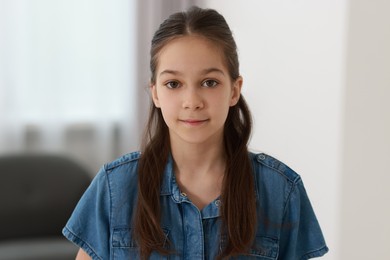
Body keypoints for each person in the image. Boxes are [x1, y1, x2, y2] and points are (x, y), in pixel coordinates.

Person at [63, 6, 329, 260]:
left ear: (234, 90)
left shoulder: (281, 191)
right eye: (173, 84)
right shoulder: (114, 188)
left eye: (209, 82)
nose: (192, 101)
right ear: (155, 92)